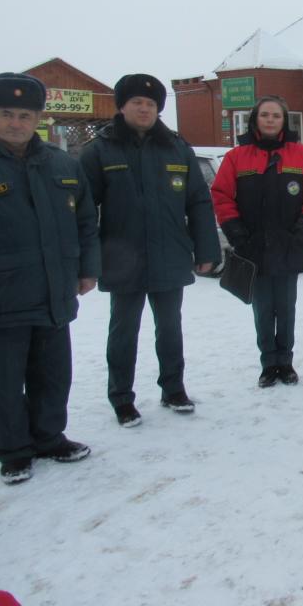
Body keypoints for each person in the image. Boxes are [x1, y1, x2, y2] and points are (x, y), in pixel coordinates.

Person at [80, 73, 220, 427]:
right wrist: (87, 261)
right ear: (122, 106)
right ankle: (122, 398)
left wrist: (206, 249)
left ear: (158, 109)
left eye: (151, 104)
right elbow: (82, 211)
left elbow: (199, 202)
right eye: (137, 103)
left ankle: (173, 389)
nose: (144, 109)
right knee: (123, 331)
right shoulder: (101, 149)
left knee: (170, 328)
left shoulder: (176, 147)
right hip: (121, 258)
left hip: (169, 255)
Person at [0, 73, 100, 484]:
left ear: (38, 118)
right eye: (7, 114)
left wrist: (87, 268)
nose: (16, 122)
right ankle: (14, 450)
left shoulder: (62, 163)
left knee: (53, 372)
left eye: (25, 115)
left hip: (54, 288)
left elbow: (86, 221)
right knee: (5, 378)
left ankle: (49, 437)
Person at [211, 96, 303, 387]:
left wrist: (302, 232)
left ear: (284, 120)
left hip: (290, 246)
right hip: (254, 248)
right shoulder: (237, 157)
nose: (271, 120)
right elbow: (222, 196)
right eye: (265, 115)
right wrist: (237, 234)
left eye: (276, 115)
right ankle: (268, 364)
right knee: (263, 309)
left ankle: (285, 362)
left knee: (286, 308)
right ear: (255, 119)